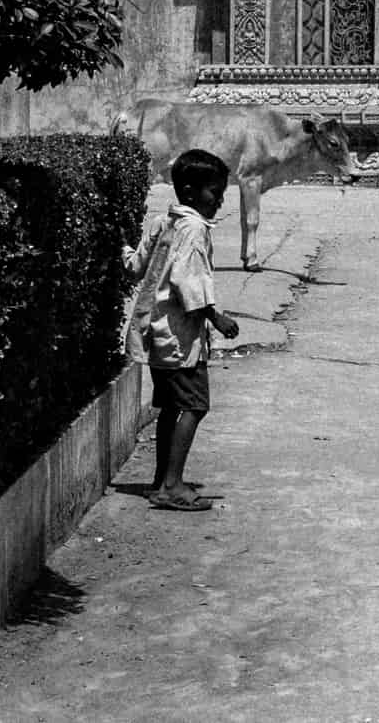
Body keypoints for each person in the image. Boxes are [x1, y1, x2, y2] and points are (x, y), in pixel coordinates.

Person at [122, 148, 240, 510]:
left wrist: (122, 239)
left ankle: (164, 479)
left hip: (156, 334)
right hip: (178, 337)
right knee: (194, 406)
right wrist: (217, 318)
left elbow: (135, 265)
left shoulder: (164, 222)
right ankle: (171, 485)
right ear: (189, 191)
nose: (219, 200)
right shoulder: (193, 229)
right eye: (214, 192)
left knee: (173, 407)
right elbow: (187, 282)